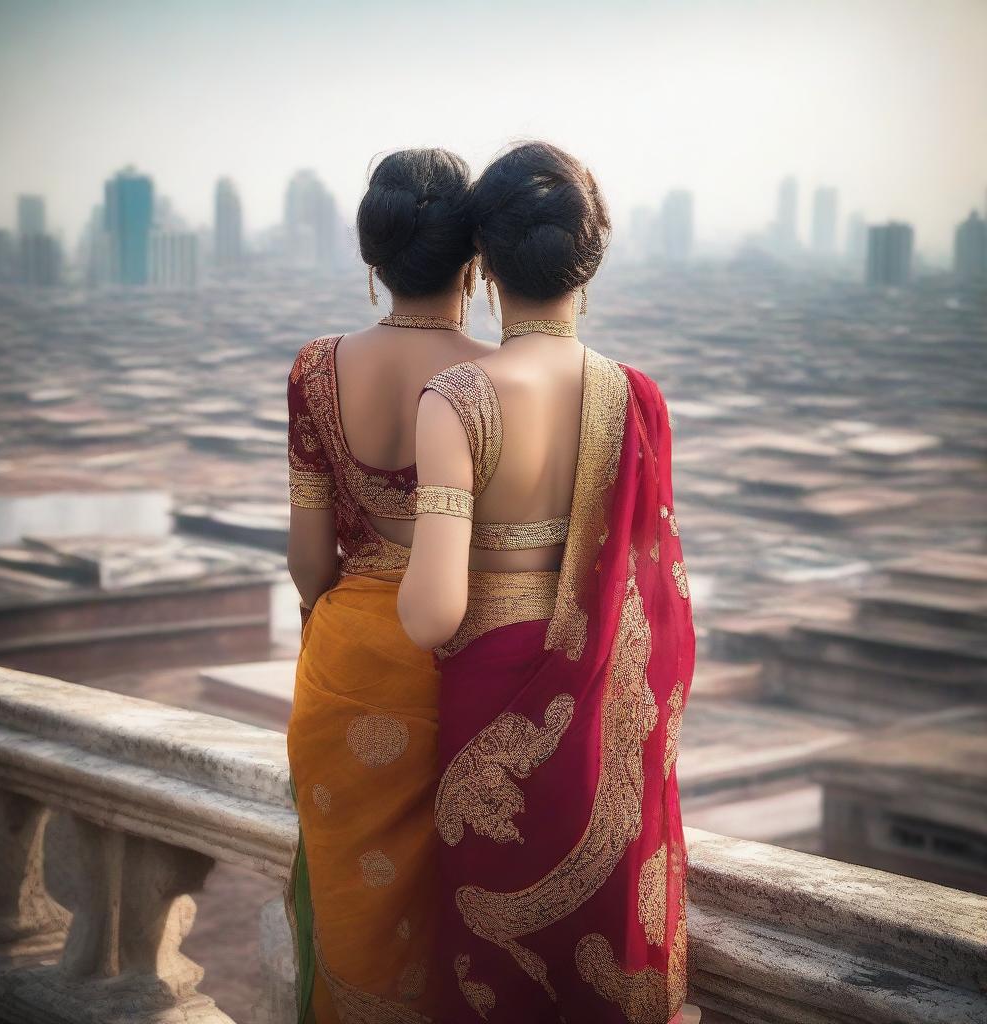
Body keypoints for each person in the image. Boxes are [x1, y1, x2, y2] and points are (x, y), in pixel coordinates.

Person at [399, 141, 695, 1024]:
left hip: (489, 703)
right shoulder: (637, 395)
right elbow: (662, 596)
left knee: (491, 966)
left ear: (480, 262)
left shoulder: (456, 398)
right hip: (609, 708)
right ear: (591, 256)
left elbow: (432, 613)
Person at [284, 148, 493, 1022]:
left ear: (375, 262)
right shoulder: (500, 379)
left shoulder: (317, 369)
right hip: (471, 670)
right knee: (459, 928)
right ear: (475, 262)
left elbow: (308, 560)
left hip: (348, 664)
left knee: (350, 921)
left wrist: (329, 618)